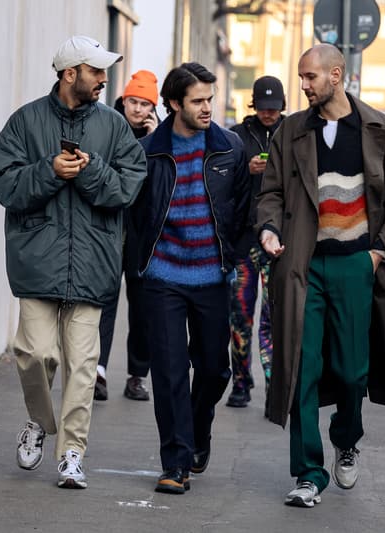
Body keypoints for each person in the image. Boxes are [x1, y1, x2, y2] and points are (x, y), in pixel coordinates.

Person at [255, 44, 385, 508]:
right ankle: (309, 473)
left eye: (310, 76)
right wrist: (270, 229)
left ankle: (346, 437)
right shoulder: (291, 131)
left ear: (337, 75)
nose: (303, 85)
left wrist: (377, 255)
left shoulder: (380, 130)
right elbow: (270, 193)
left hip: (357, 265)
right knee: (300, 368)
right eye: (301, 77)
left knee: (354, 373)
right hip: (302, 266)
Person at [0, 35, 147, 489]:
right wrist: (47, 172)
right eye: (96, 71)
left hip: (94, 265)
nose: (104, 79)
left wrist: (90, 171)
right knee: (35, 353)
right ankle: (39, 420)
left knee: (83, 365)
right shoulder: (26, 121)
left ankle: (72, 452)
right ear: (70, 73)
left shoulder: (113, 126)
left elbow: (131, 184)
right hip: (37, 262)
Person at [127, 62, 250, 494]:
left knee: (215, 371)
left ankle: (199, 431)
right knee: (170, 372)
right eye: (197, 101)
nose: (207, 108)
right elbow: (135, 210)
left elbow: (244, 209)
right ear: (175, 103)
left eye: (210, 100)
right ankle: (175, 462)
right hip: (162, 276)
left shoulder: (229, 148)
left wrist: (233, 256)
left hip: (212, 277)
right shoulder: (147, 151)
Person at [95, 69, 161, 402]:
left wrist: (155, 142)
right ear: (124, 99)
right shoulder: (109, 128)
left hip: (144, 233)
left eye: (145, 104)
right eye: (133, 101)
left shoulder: (161, 137)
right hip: (111, 225)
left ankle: (137, 376)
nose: (138, 109)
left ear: (153, 106)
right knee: (104, 300)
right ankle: (98, 371)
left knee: (143, 307)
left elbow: (162, 185)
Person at [226, 76, 285, 412]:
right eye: (263, 108)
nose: (268, 113)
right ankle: (240, 383)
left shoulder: (293, 133)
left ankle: (274, 389)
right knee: (240, 314)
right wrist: (245, 169)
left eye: (273, 108)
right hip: (244, 238)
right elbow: (222, 181)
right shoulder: (236, 135)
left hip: (278, 239)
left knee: (274, 317)